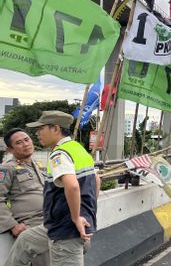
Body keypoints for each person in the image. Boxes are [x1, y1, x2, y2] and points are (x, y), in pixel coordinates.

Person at [5, 111, 101, 266]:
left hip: (65, 227)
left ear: (55, 128)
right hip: (55, 223)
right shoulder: (77, 148)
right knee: (26, 240)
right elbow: (96, 180)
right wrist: (85, 211)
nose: (37, 133)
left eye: (41, 128)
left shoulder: (59, 154)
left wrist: (76, 217)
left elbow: (72, 186)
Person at [0, 128, 48, 266]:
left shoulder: (38, 166)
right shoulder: (7, 168)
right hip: (31, 223)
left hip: (49, 218)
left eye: (27, 140)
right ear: (10, 150)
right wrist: (12, 225)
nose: (25, 144)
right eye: (19, 143)